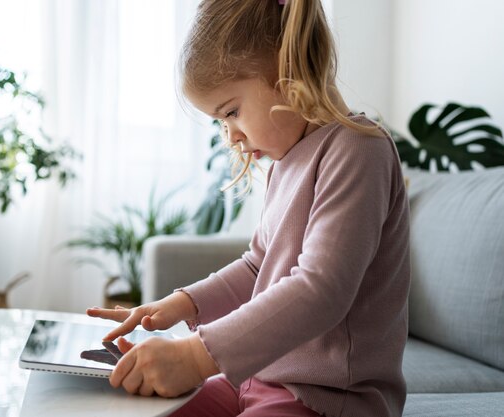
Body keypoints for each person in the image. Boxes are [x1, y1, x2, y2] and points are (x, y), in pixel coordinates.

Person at [87, 0, 410, 416]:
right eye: (221, 122)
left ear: (288, 66)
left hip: (328, 399)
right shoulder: (287, 162)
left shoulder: (359, 149)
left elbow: (321, 290)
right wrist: (181, 303)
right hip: (257, 379)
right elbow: (259, 266)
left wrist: (196, 357)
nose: (231, 137)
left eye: (232, 111)